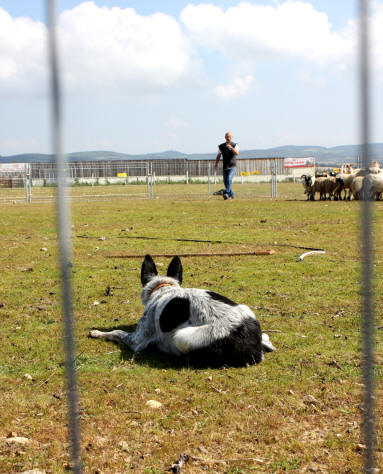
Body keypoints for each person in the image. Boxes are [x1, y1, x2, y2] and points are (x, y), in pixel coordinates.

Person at [214, 131, 239, 200]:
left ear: (232, 137)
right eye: (227, 136)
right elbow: (218, 155)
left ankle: (225, 193)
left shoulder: (235, 145)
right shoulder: (221, 146)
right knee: (225, 182)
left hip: (232, 166)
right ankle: (231, 194)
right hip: (225, 166)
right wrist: (216, 163)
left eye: (230, 137)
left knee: (229, 178)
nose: (228, 138)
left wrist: (231, 148)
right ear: (225, 137)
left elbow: (236, 153)